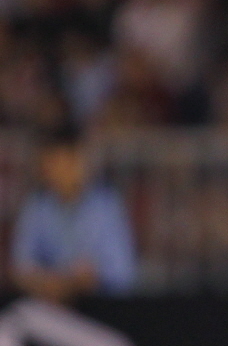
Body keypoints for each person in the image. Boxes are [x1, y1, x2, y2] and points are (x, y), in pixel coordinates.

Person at [10, 129, 138, 301]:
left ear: (80, 162)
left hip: (99, 306)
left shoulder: (106, 205)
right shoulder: (37, 206)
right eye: (51, 164)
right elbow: (20, 266)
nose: (58, 172)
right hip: (46, 304)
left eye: (64, 163)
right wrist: (47, 282)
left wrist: (85, 279)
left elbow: (123, 273)